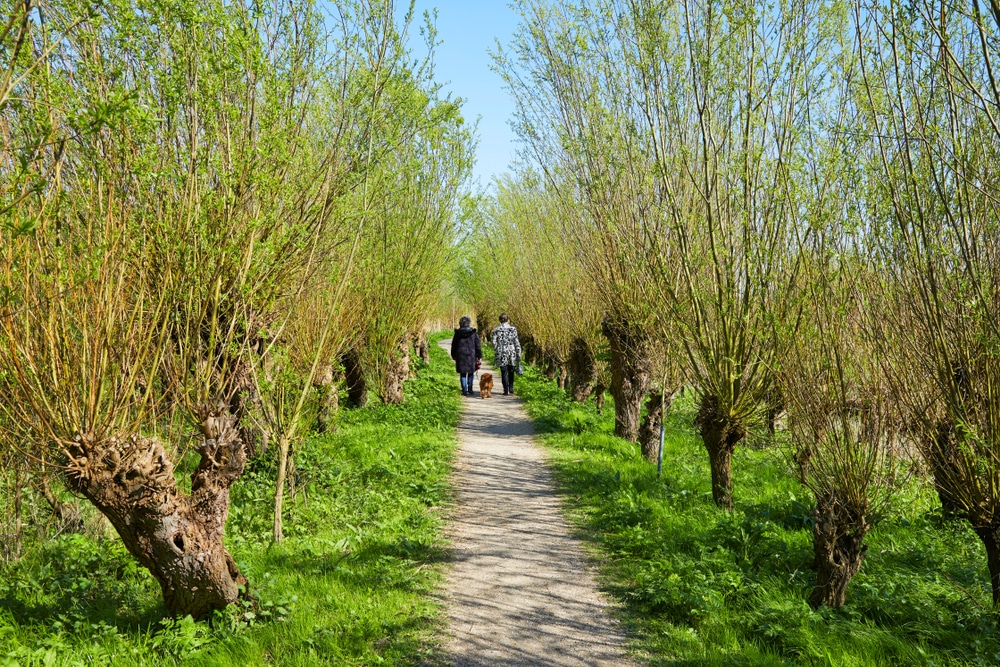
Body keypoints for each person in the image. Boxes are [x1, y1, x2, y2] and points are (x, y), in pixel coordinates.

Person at [491, 313, 522, 396]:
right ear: (508, 320)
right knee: (511, 370)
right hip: (511, 351)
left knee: (503, 371)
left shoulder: (496, 330)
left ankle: (505, 390)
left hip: (501, 352)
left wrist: (497, 349)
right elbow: (516, 341)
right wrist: (519, 352)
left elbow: (493, 342)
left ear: (500, 320)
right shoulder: (513, 329)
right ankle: (511, 388)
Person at [451, 316, 482, 396]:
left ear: (460, 323)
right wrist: (479, 356)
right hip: (471, 355)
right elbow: (477, 345)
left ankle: (464, 390)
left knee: (463, 373)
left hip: (460, 355)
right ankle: (470, 389)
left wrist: (453, 355)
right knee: (471, 372)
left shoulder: (457, 333)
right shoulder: (473, 333)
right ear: (469, 323)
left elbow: (453, 345)